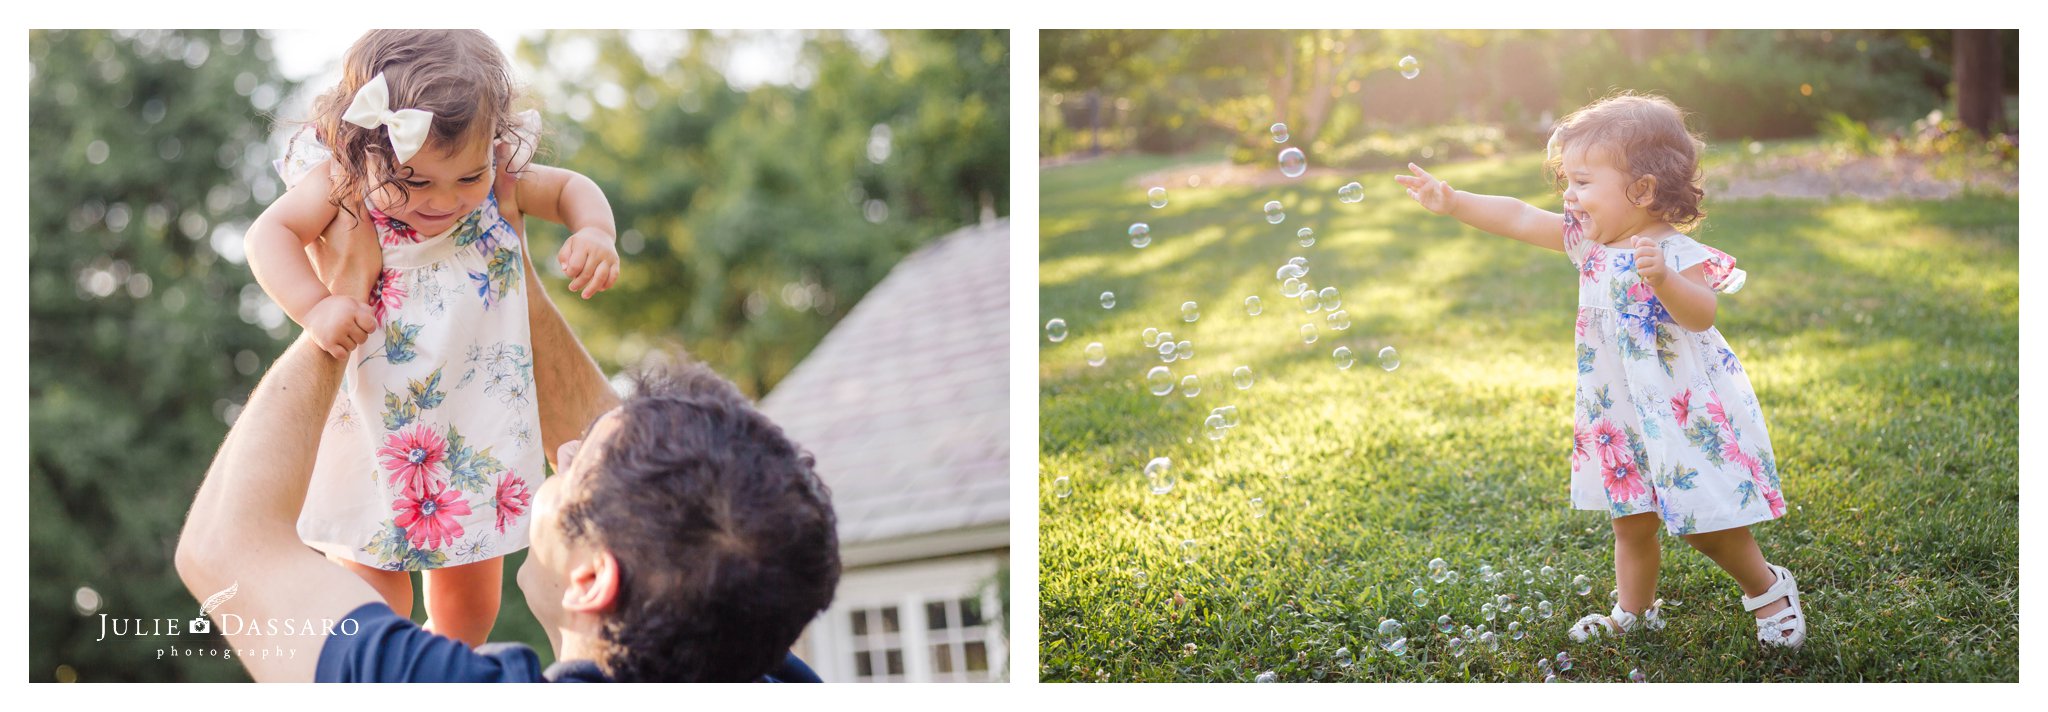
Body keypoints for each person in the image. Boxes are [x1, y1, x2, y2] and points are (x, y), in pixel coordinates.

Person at [176, 201, 840, 681]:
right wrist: (498, 264)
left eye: (578, 469)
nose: (564, 450)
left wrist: (344, 297)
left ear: (592, 579)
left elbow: (223, 547)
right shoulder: (759, 656)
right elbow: (674, 505)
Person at [242, 29, 622, 647]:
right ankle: (385, 670)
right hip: (378, 416)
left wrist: (595, 234)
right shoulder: (342, 184)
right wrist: (315, 307)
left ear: (493, 147)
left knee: (473, 597)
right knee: (372, 585)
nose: (444, 201)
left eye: (467, 177)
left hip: (477, 413)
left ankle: (450, 662)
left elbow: (571, 188)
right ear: (360, 147)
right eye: (415, 184)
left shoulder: (497, 176)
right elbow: (269, 236)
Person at [1394, 92, 1805, 648]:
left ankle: (1770, 591)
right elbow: (1517, 215)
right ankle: (1633, 612)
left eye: (1583, 181)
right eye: (1566, 178)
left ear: (1642, 190)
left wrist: (1663, 280)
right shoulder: (1586, 242)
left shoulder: (1679, 254)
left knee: (1708, 522)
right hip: (1617, 409)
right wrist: (1453, 200)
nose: (1568, 194)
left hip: (1679, 409)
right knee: (1630, 518)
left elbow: (1702, 315)